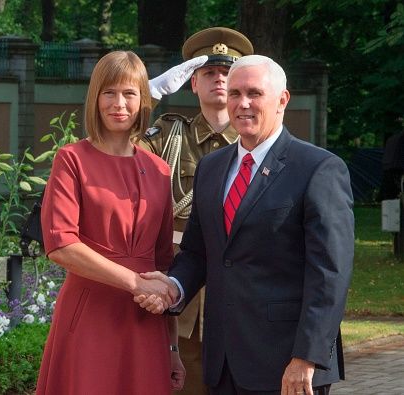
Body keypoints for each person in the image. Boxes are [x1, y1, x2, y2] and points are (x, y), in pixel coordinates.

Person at [137, 55, 354, 395]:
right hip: (222, 361)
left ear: (282, 100)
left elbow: (330, 276)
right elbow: (198, 251)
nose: (243, 104)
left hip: (288, 364)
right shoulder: (212, 167)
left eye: (254, 93)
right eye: (235, 93)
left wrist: (307, 359)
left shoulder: (318, 169)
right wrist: (173, 287)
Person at [35, 50, 185, 394]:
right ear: (95, 98)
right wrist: (135, 282)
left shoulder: (160, 170)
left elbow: (163, 263)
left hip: (145, 319)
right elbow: (61, 245)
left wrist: (173, 347)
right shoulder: (71, 159)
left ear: (143, 101)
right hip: (90, 314)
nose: (119, 103)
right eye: (109, 92)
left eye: (130, 94)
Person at [139, 26, 254, 394]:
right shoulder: (169, 136)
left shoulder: (258, 143)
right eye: (208, 73)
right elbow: (112, 146)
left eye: (227, 73)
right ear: (192, 83)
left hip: (242, 290)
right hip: (181, 287)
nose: (219, 80)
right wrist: (147, 97)